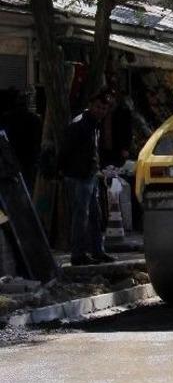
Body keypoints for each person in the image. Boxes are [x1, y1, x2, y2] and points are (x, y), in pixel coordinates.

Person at [59, 89, 115, 265]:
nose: (100, 111)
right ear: (90, 106)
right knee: (81, 216)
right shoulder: (80, 124)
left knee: (94, 216)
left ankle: (97, 251)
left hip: (89, 175)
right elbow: (66, 151)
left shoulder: (93, 124)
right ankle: (78, 254)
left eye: (104, 108)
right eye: (98, 107)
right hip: (78, 176)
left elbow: (92, 151)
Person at [0, 89, 43, 187]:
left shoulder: (7, 118)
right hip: (29, 158)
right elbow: (38, 139)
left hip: (13, 157)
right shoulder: (34, 119)